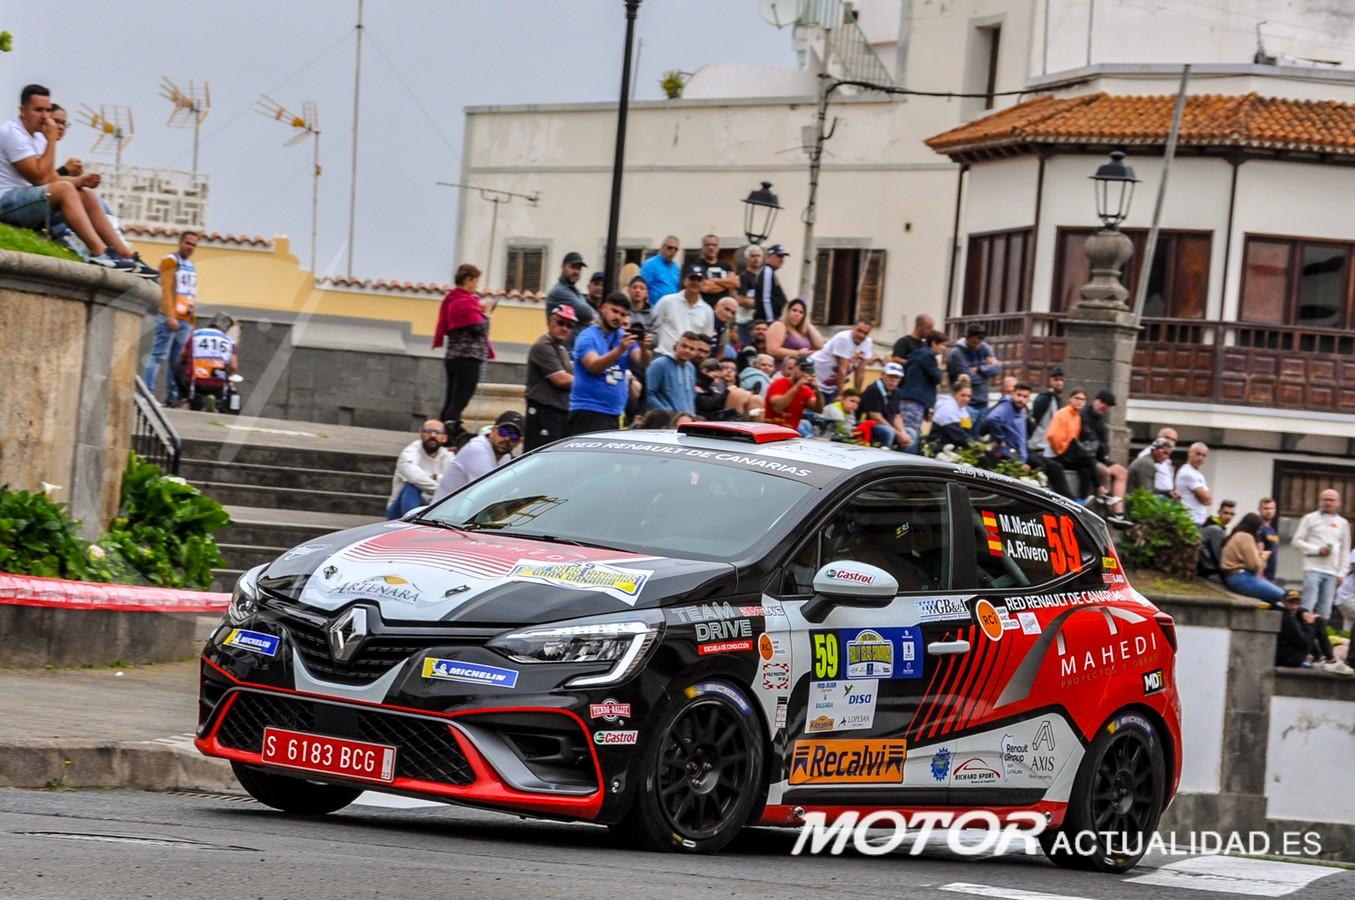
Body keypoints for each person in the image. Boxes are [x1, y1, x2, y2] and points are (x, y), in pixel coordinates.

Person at [0, 84, 153, 275]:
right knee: (65, 189)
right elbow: (40, 178)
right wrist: (51, 141)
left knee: (86, 194)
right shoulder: (12, 133)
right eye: (38, 110)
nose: (45, 116)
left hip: (27, 199)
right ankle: (100, 253)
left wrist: (80, 181)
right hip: (6, 203)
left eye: (47, 110)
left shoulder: (37, 135)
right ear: (23, 111)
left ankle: (126, 255)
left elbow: (52, 177)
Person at [568, 292, 651, 435]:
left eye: (623, 314)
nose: (618, 317)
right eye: (614, 311)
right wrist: (620, 350)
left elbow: (641, 362)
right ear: (603, 308)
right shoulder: (587, 336)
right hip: (588, 410)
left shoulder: (624, 336)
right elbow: (594, 366)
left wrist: (644, 348)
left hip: (615, 412)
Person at [433, 263, 495, 441]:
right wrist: (487, 313)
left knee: (451, 399)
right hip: (467, 357)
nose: (477, 285)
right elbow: (479, 327)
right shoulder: (464, 301)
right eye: (475, 281)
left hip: (454, 356)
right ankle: (449, 433)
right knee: (460, 400)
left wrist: (480, 310)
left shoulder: (453, 300)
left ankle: (442, 432)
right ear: (468, 280)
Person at [143, 230, 201, 405]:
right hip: (169, 317)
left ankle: (173, 396)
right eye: (188, 243)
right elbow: (166, 289)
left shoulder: (191, 265)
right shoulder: (169, 261)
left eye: (194, 245)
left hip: (185, 319)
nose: (190, 247)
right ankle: (148, 394)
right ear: (180, 242)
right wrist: (170, 316)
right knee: (158, 355)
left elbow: (190, 294)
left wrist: (192, 321)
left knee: (176, 360)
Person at [433, 411, 523, 501]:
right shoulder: (478, 450)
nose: (507, 439)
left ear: (519, 442)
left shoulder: (505, 456)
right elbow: (487, 494)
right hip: (446, 508)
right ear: (493, 430)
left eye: (514, 436)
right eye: (503, 432)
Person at [1291, 489, 1352, 621]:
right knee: (1308, 605)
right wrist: (1317, 550)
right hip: (1312, 567)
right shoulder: (1309, 518)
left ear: (1339, 503)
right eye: (1325, 499)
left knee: (1325, 610)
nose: (1328, 503)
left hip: (1332, 571)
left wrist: (1342, 572)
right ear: (1319, 501)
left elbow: (1345, 550)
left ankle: (1320, 633)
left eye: (1332, 500)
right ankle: (1303, 631)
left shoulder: (1343, 523)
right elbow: (1296, 541)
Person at [524, 305, 576, 451]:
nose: (564, 328)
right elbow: (561, 379)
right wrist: (590, 382)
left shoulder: (561, 348)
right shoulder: (543, 346)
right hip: (543, 412)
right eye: (560, 323)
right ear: (549, 321)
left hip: (557, 412)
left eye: (569, 325)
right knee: (541, 454)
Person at [386, 419, 453, 519]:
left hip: (433, 507)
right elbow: (415, 478)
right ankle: (410, 522)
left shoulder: (449, 456)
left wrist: (436, 479)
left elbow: (453, 481)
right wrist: (442, 489)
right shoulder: (409, 453)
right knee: (412, 486)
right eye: (428, 431)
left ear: (444, 437)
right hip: (399, 510)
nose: (433, 436)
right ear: (421, 434)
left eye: (438, 432)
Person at [1275, 589, 1351, 673]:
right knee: (1318, 622)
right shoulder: (1287, 618)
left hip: (1286, 655)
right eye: (1291, 603)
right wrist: (1309, 624)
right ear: (1283, 602)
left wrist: (1304, 613)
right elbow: (1304, 642)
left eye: (1297, 603)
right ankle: (1329, 659)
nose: (1294, 607)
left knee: (1317, 620)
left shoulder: (1286, 612)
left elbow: (1300, 610)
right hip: (1287, 659)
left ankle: (1320, 657)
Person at [1219, 513, 1286, 603]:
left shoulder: (1236, 535)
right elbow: (1254, 565)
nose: (1259, 532)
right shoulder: (1246, 537)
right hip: (1242, 577)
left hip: (1233, 576)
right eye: (1259, 529)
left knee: (1276, 600)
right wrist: (1263, 557)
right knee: (1285, 596)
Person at [1048, 389, 1101, 500]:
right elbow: (1052, 435)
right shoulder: (1062, 413)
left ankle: (1081, 500)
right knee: (1089, 460)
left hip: (1070, 454)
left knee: (1085, 471)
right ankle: (1100, 488)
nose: (1079, 401)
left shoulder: (1077, 416)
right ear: (1070, 399)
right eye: (1077, 398)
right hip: (1059, 454)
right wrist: (1060, 450)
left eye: (1083, 399)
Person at [180, 312, 238, 412]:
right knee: (224, 376)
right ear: (226, 328)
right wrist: (228, 377)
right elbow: (233, 367)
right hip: (218, 382)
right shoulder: (228, 341)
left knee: (180, 366)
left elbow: (183, 355)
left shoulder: (196, 334)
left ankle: (185, 397)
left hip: (196, 380)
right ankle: (216, 401)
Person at [651, 264, 715, 354]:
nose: (695, 282)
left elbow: (705, 340)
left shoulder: (707, 311)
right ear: (685, 281)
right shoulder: (667, 301)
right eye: (692, 278)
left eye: (699, 279)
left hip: (688, 359)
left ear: (704, 284)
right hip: (664, 354)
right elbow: (652, 326)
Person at [898, 331, 947, 451]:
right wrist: (939, 370)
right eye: (942, 344)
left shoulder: (919, 354)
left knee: (909, 432)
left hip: (911, 399)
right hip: (914, 401)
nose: (944, 348)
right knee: (910, 434)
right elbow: (937, 378)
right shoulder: (928, 356)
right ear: (934, 343)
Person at [1081, 391, 1129, 511]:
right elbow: (1087, 442)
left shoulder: (1100, 421)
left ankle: (1119, 512)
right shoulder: (1083, 416)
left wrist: (1103, 451)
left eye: (1108, 405)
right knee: (1105, 472)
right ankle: (1106, 505)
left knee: (1122, 472)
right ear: (1095, 400)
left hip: (1098, 457)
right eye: (1103, 402)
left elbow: (1104, 444)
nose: (1104, 406)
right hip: (1086, 457)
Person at [946, 324, 1002, 423]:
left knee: (979, 432)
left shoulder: (984, 347)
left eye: (979, 343)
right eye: (974, 343)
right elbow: (967, 379)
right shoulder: (957, 353)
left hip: (983, 402)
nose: (977, 346)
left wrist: (980, 369)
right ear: (967, 338)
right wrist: (986, 370)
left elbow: (997, 369)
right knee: (965, 430)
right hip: (965, 405)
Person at [809, 318, 874, 400]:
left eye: (865, 333)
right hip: (814, 377)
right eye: (859, 331)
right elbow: (842, 371)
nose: (861, 335)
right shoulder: (843, 339)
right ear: (853, 327)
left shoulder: (868, 343)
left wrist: (857, 396)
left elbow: (860, 372)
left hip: (831, 386)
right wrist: (841, 397)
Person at [764, 354, 823, 433]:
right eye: (802, 369)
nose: (804, 373)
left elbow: (818, 409)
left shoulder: (806, 390)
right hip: (771, 431)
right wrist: (797, 386)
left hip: (791, 434)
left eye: (808, 370)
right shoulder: (778, 383)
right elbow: (777, 408)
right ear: (794, 368)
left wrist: (817, 389)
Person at [645, 331, 699, 415]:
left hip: (688, 419)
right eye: (684, 346)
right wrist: (668, 413)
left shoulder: (691, 368)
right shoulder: (659, 364)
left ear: (695, 352)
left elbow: (692, 397)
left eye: (692, 349)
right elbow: (648, 393)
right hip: (666, 420)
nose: (687, 350)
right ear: (676, 345)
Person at [544, 251, 595, 338]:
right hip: (563, 344)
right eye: (573, 267)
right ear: (563, 267)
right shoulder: (559, 291)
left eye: (579, 268)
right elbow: (588, 314)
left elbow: (592, 314)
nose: (576, 271)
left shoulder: (575, 291)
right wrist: (590, 320)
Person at [859, 362, 907, 450]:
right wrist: (898, 434)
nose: (893, 380)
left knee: (911, 433)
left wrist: (902, 432)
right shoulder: (874, 389)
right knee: (889, 431)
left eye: (896, 377)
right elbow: (876, 417)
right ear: (882, 375)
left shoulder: (897, 392)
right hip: (868, 424)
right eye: (890, 376)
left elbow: (897, 416)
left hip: (887, 424)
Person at [981, 382, 1032, 464]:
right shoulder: (1007, 406)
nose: (1021, 399)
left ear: (1028, 399)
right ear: (1013, 394)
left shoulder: (1022, 410)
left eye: (1025, 397)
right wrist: (1000, 439)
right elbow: (992, 418)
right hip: (1007, 456)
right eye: (1019, 395)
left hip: (1018, 456)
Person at [765, 297, 824, 366]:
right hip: (784, 368)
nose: (797, 314)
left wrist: (807, 323)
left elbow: (820, 345)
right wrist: (797, 353)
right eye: (794, 310)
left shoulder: (803, 330)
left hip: (802, 369)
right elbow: (772, 350)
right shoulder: (779, 325)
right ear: (787, 311)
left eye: (801, 312)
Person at [1027, 367, 1064, 457]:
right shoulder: (1044, 399)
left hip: (1049, 447)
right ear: (1050, 381)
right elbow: (1033, 421)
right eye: (1056, 379)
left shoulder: (1057, 399)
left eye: (1061, 380)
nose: (1059, 383)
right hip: (1039, 446)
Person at [749, 243, 789, 325]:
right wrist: (770, 320)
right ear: (769, 256)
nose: (781, 260)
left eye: (783, 257)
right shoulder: (767, 271)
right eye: (779, 256)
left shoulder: (769, 272)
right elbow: (766, 298)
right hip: (768, 320)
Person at [1175, 442, 1213, 526]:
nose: (1200, 458)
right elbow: (1207, 499)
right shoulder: (1188, 473)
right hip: (1190, 520)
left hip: (1197, 520)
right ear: (1190, 454)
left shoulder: (1197, 474)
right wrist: (1203, 496)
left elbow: (1208, 500)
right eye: (1198, 454)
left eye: (1204, 455)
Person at [1198, 500, 1237, 581]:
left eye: (1231, 514)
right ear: (1219, 512)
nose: (1228, 517)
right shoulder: (1216, 529)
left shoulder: (1215, 525)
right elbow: (1219, 555)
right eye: (1225, 513)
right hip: (1207, 571)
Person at [929, 382, 975, 449]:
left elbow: (967, 430)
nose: (966, 399)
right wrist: (977, 446)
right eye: (963, 395)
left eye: (969, 396)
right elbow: (958, 435)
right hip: (940, 447)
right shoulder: (947, 408)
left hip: (954, 445)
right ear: (954, 394)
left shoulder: (962, 408)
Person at [696, 234, 737, 305]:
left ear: (718, 248)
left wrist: (712, 281)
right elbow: (705, 288)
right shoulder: (697, 266)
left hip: (723, 308)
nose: (711, 247)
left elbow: (734, 283)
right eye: (707, 245)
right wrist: (726, 284)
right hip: (703, 307)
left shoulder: (726, 266)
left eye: (714, 245)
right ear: (703, 248)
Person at [734, 244, 763, 343]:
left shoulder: (763, 277)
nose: (756, 259)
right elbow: (741, 300)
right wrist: (761, 304)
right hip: (745, 320)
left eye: (758, 256)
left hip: (758, 321)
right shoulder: (744, 276)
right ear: (747, 259)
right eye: (753, 256)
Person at [640, 235, 682, 302]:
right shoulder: (650, 265)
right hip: (654, 306)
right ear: (662, 248)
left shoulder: (676, 268)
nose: (673, 251)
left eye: (676, 249)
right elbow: (642, 288)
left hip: (672, 306)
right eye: (670, 247)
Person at [1258, 496, 1281, 584]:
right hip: (1262, 576)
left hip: (1271, 575)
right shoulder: (1259, 529)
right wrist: (1260, 573)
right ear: (1260, 510)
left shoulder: (1271, 530)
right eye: (1266, 508)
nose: (1269, 511)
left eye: (1271, 508)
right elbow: (1259, 553)